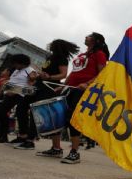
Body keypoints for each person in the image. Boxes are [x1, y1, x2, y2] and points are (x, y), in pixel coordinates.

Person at [44, 32, 109, 164]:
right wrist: (63, 86)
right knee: (57, 115)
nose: (86, 36)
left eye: (90, 35)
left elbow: (103, 74)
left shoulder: (99, 54)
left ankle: (74, 152)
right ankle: (56, 148)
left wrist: (87, 84)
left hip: (83, 90)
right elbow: (73, 73)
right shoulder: (81, 55)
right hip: (70, 89)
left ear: (96, 41)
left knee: (72, 117)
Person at [11, 39, 79, 150]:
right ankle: (22, 136)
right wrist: (37, 76)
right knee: (21, 107)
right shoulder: (49, 58)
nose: (50, 45)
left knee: (35, 112)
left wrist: (49, 77)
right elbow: (44, 73)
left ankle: (30, 141)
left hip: (49, 87)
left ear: (57, 46)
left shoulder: (62, 59)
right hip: (38, 85)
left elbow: (63, 75)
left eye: (53, 44)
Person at [0, 54, 36, 143]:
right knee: (0, 111)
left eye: (15, 63)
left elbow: (31, 88)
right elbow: (12, 82)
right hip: (8, 95)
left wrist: (15, 91)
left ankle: (17, 136)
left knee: (17, 113)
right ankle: (3, 135)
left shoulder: (30, 71)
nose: (14, 65)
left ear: (22, 63)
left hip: (20, 96)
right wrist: (4, 89)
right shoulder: (16, 71)